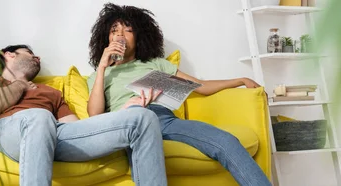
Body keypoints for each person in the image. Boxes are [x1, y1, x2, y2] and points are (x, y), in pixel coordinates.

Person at [86, 3, 272, 186]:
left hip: (163, 119)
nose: (120, 35)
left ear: (139, 37)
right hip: (130, 122)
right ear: (106, 38)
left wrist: (239, 80)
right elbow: (94, 114)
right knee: (146, 166)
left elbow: (199, 86)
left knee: (226, 141)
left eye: (128, 30)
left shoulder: (155, 64)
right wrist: (103, 66)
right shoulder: (99, 75)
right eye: (114, 30)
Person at [0, 44, 167, 186]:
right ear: (9, 54)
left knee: (143, 118)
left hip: (53, 133)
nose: (37, 57)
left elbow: (78, 130)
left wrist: (124, 113)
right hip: (2, 130)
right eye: (29, 52)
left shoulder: (50, 92)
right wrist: (20, 85)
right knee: (39, 117)